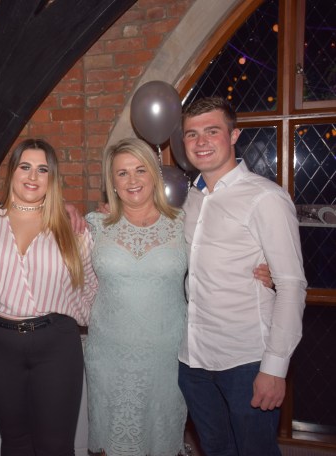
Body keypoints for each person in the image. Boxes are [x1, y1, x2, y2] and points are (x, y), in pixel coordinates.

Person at [178, 96, 307, 455]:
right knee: (216, 450)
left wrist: (275, 368)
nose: (201, 142)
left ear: (233, 135)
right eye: (191, 134)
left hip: (246, 360)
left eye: (212, 131)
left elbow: (292, 285)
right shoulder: (188, 200)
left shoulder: (265, 197)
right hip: (193, 359)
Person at [0, 138, 98, 456]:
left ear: (52, 178)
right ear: (12, 172)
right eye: (25, 167)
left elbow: (91, 288)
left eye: (43, 170)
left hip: (56, 345)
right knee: (14, 443)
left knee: (56, 447)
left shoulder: (72, 227)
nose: (32, 176)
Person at [84, 138, 187, 455]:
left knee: (162, 440)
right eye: (122, 173)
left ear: (154, 174)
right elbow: (71, 275)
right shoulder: (95, 225)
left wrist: (262, 271)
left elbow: (215, 271)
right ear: (112, 184)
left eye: (140, 170)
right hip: (109, 356)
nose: (132, 180)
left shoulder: (185, 223)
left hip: (167, 357)